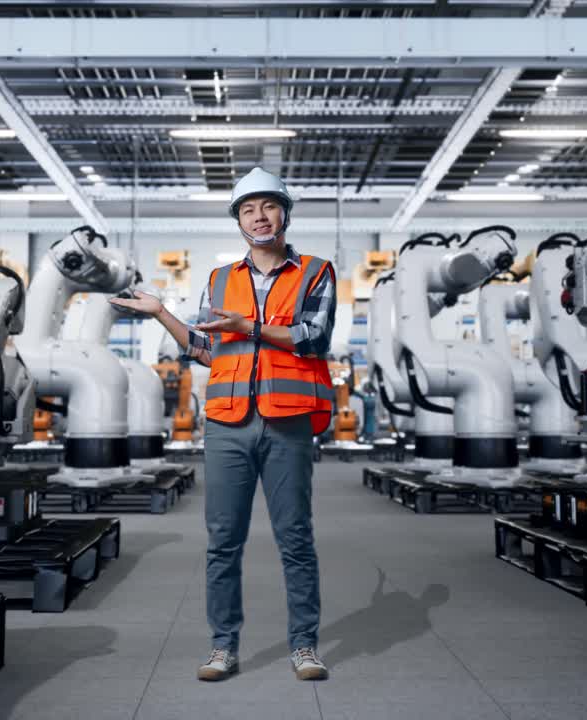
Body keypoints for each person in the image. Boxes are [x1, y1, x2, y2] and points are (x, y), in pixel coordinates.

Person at [110, 167, 336, 682]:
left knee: (295, 537)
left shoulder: (316, 272)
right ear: (238, 220)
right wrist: (163, 313)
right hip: (229, 425)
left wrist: (248, 327)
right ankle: (222, 646)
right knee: (223, 541)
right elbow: (207, 351)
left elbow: (314, 337)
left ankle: (304, 645)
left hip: (288, 423)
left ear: (285, 212)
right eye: (248, 209)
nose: (260, 217)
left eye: (269, 206)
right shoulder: (219, 279)